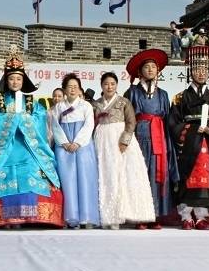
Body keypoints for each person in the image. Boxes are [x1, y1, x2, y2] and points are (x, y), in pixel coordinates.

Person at [0, 46, 63, 228]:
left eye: (18, 78)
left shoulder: (32, 103)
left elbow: (39, 121)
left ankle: (35, 217)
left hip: (28, 148)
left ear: (23, 80)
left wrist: (21, 119)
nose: (15, 82)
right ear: (6, 80)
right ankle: (5, 218)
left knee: (32, 171)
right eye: (11, 78)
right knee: (2, 175)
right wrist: (10, 119)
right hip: (4, 150)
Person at [169, 46, 209, 230]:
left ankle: (202, 216)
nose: (201, 73)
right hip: (188, 145)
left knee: (207, 178)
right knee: (187, 177)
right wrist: (192, 130)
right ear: (190, 72)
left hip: (208, 143)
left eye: (205, 69)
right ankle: (186, 216)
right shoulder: (179, 98)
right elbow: (173, 123)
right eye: (197, 69)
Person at [124, 49, 179, 228]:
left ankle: (155, 215)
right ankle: (140, 216)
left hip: (159, 136)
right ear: (140, 71)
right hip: (139, 137)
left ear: (158, 71)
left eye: (153, 67)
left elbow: (168, 117)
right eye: (146, 67)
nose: (150, 70)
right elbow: (127, 118)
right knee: (140, 174)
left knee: (157, 174)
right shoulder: (132, 92)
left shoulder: (163, 94)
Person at [93, 72, 155, 229]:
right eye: (106, 84)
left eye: (112, 84)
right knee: (105, 175)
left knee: (123, 175)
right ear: (101, 86)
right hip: (102, 140)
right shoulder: (96, 104)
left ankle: (123, 214)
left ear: (116, 85)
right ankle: (107, 216)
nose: (109, 87)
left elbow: (131, 122)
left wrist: (125, 141)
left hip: (119, 139)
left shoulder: (124, 102)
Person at [50, 73, 99, 228]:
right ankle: (70, 218)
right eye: (69, 87)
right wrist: (64, 142)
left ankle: (87, 217)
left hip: (83, 146)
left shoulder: (86, 106)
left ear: (79, 89)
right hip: (64, 147)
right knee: (67, 181)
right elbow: (55, 126)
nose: (72, 89)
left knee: (85, 180)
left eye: (75, 87)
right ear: (64, 89)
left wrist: (77, 143)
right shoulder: (59, 107)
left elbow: (89, 126)